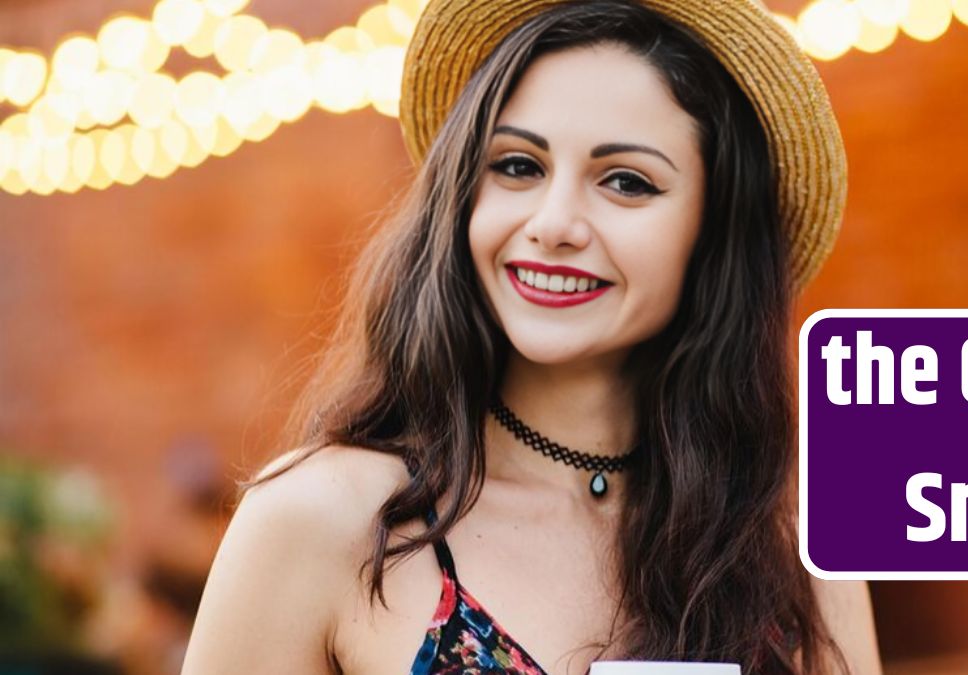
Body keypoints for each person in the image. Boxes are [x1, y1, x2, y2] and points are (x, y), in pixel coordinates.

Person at [182, 0, 881, 673]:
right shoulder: (321, 519)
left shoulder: (792, 548)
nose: (554, 223)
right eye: (518, 166)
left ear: (712, 232)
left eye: (627, 182)